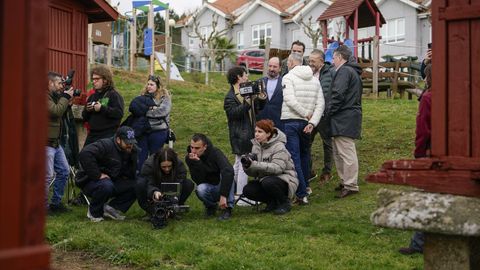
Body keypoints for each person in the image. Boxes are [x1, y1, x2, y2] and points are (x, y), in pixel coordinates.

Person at [281, 52, 325, 205]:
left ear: (292, 62)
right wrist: (312, 122)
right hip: (307, 125)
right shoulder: (315, 80)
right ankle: (306, 188)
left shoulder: (287, 77)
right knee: (305, 156)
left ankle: (300, 194)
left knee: (295, 158)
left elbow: (289, 99)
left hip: (292, 122)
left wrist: (306, 114)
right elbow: (321, 104)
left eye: (288, 62)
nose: (287, 64)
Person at [399, 64, 432, 255]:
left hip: (429, 152)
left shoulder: (427, 98)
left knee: (424, 197)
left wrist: (419, 153)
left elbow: (423, 130)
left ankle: (419, 242)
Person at [77, 126, 138, 222]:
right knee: (106, 185)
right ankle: (94, 213)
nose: (130, 145)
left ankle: (110, 209)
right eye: (127, 142)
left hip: (112, 180)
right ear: (118, 140)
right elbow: (85, 154)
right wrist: (97, 175)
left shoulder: (132, 150)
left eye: (132, 142)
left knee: (137, 184)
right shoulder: (105, 145)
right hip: (90, 181)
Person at [224, 66, 266, 204]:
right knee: (244, 164)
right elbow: (233, 114)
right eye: (245, 75)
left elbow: (258, 109)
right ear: (238, 77)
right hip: (240, 135)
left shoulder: (247, 92)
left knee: (238, 164)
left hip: (250, 132)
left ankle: (233, 192)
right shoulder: (230, 97)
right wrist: (247, 102)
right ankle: (242, 195)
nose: (247, 77)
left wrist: (260, 98)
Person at [242, 120, 299, 215]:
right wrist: (248, 166)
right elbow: (254, 173)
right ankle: (272, 203)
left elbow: (278, 168)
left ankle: (284, 203)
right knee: (248, 190)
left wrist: (255, 164)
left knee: (268, 182)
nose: (256, 134)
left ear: (268, 134)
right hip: (265, 179)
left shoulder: (279, 146)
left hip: (286, 179)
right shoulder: (256, 146)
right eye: (255, 131)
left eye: (260, 132)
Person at [328, 45, 363, 198]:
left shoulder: (344, 71)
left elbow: (338, 94)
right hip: (345, 117)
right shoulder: (352, 71)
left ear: (340, 57)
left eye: (334, 58)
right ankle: (345, 181)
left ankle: (350, 185)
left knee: (346, 152)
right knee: (339, 152)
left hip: (344, 117)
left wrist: (328, 111)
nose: (332, 61)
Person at [185, 133, 235, 220]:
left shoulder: (215, 153)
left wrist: (223, 195)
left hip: (222, 185)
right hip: (209, 186)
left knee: (226, 174)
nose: (193, 151)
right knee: (200, 189)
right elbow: (198, 180)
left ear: (205, 147)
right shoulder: (190, 158)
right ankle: (211, 206)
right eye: (191, 147)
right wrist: (198, 163)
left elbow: (228, 171)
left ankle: (228, 208)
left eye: (197, 148)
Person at [45, 71, 75, 214]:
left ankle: (55, 203)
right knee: (47, 176)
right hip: (45, 143)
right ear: (50, 83)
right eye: (58, 83)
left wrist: (67, 101)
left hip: (55, 143)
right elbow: (55, 112)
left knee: (64, 171)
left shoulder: (54, 96)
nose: (60, 87)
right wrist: (65, 97)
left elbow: (61, 111)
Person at [129, 75, 171, 170]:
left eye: (152, 84)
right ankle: (140, 179)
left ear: (158, 86)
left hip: (158, 131)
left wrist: (146, 111)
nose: (148, 86)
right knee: (140, 158)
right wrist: (150, 109)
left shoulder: (165, 98)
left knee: (155, 158)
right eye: (148, 84)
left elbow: (162, 111)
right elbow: (134, 108)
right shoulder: (142, 96)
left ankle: (155, 180)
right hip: (143, 131)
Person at [136, 147, 194, 217]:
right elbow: (148, 183)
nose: (167, 169)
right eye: (163, 167)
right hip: (155, 188)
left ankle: (174, 208)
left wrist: (174, 197)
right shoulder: (148, 165)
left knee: (188, 184)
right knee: (140, 184)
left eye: (169, 166)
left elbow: (180, 182)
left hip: (172, 188)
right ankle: (151, 210)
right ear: (158, 163)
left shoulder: (179, 165)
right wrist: (154, 192)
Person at [308, 49, 334, 184]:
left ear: (321, 61)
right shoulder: (308, 73)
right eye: (309, 60)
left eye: (313, 61)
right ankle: (309, 171)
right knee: (307, 143)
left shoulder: (329, 72)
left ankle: (327, 172)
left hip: (323, 115)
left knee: (327, 143)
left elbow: (325, 94)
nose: (310, 63)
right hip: (310, 116)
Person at [82, 65, 124, 145]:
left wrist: (102, 108)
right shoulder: (92, 96)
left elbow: (119, 113)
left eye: (97, 79)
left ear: (105, 80)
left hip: (108, 136)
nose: (94, 81)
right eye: (93, 79)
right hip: (92, 135)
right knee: (84, 156)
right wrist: (87, 110)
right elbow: (84, 117)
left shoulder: (114, 95)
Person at [257, 57, 284, 131]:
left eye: (275, 67)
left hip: (278, 122)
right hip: (261, 122)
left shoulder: (285, 82)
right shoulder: (259, 82)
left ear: (280, 68)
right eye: (270, 66)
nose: (271, 69)